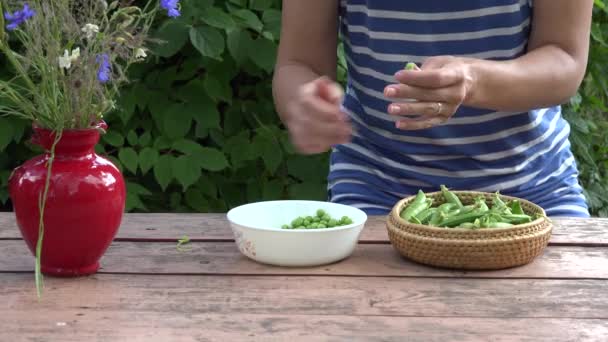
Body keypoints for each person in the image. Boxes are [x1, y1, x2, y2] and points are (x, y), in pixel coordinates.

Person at [272, 0, 594, 217]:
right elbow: (299, 64)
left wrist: (473, 81)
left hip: (532, 186)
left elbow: (565, 58)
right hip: (378, 184)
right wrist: (303, 102)